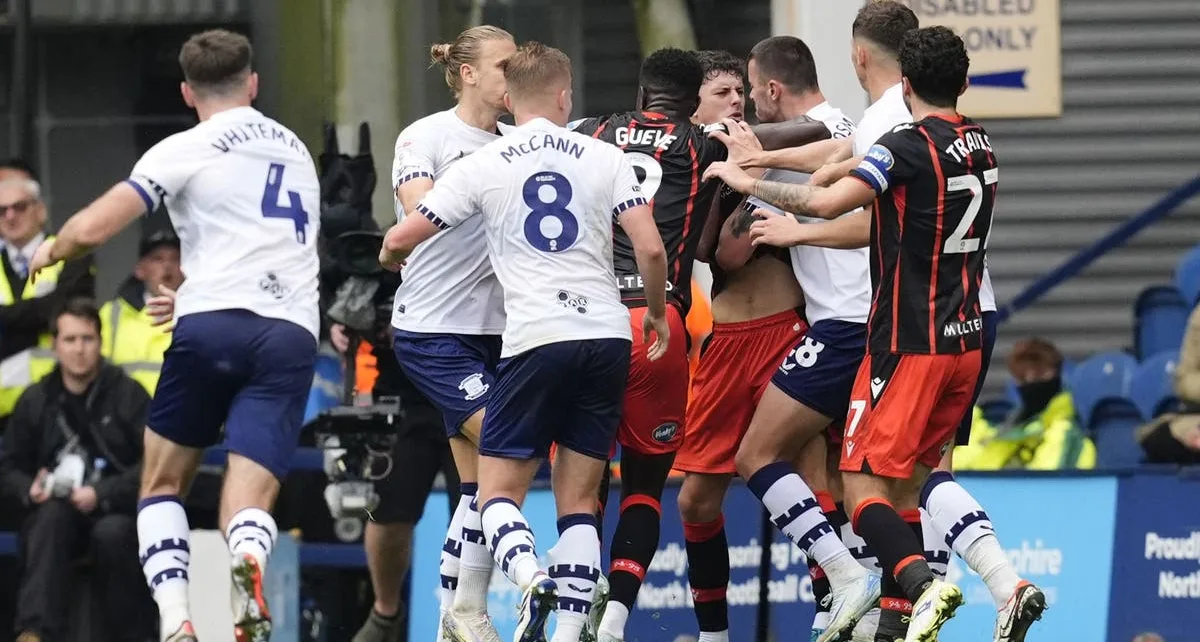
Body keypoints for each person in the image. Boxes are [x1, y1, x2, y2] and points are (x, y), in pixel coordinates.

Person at [745, 4, 1046, 640]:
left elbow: (831, 203)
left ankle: (918, 583)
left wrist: (745, 179)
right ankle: (1002, 585)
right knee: (924, 474)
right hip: (968, 332)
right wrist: (831, 163)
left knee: (860, 480)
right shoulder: (982, 141)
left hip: (910, 339)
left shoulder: (907, 146)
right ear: (963, 85)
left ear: (903, 82)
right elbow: (848, 161)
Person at [28, 29, 320, 642]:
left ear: (188, 92)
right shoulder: (295, 149)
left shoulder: (188, 146)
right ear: (254, 84)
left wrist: (55, 247)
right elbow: (261, 248)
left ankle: (177, 620)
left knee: (161, 482)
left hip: (212, 328)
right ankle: (247, 574)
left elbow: (98, 224)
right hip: (289, 332)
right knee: (249, 494)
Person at [379, 41, 669, 642]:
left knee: (493, 487)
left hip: (527, 334)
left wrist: (388, 252)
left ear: (514, 94)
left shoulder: (487, 162)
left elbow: (409, 230)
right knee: (579, 498)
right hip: (602, 333)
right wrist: (660, 314)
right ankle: (554, 624)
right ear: (566, 96)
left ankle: (514, 586)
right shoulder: (602, 154)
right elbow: (650, 248)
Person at [567, 48, 831, 642]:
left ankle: (836, 599)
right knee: (684, 496)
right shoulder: (701, 147)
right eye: (722, 95)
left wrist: (748, 153)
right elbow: (714, 250)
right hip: (683, 332)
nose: (736, 106)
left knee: (805, 469)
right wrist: (733, 156)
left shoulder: (601, 132)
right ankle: (688, 628)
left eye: (743, 94)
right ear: (693, 103)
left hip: (760, 328)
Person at [702, 35, 882, 642]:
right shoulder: (851, 128)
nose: (747, 107)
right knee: (842, 472)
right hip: (869, 322)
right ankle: (856, 604)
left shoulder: (809, 135)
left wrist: (724, 149)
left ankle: (847, 579)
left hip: (842, 325)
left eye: (750, 93)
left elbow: (717, 248)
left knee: (757, 457)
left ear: (773, 89)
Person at [383, 26, 516, 642]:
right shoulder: (428, 135)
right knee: (506, 442)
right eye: (502, 66)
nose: (511, 77)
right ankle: (476, 605)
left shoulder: (519, 141)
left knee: (478, 483)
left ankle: (454, 618)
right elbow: (420, 207)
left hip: (502, 329)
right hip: (434, 328)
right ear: (467, 73)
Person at [0, 299, 155, 642]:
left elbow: (157, 465)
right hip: (55, 518)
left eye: (87, 339)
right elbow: (7, 465)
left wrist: (102, 492)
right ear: (55, 345)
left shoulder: (128, 395)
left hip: (117, 513)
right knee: (49, 518)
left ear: (100, 343)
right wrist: (30, 488)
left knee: (112, 535)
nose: (79, 349)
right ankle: (34, 633)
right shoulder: (36, 399)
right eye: (70, 340)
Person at [0, 176, 96, 427]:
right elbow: (48, 311)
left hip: (60, 405)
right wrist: (39, 314)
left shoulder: (72, 251)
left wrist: (6, 321)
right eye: (1, 210)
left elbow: (64, 311)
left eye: (19, 207)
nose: (10, 216)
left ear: (40, 210)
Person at [954, 338, 1095, 470]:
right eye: (1022, 376)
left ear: (1057, 374)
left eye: (1039, 373)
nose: (1030, 381)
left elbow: (1046, 485)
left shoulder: (1066, 432)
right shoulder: (1003, 428)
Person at [100, 228, 184, 395]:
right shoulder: (111, 314)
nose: (167, 265)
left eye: (175, 259)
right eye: (157, 259)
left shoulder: (198, 315)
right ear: (140, 269)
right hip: (123, 416)